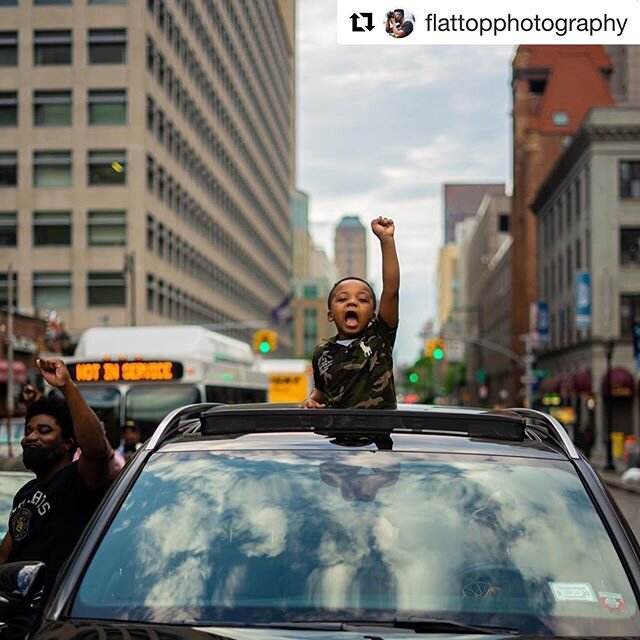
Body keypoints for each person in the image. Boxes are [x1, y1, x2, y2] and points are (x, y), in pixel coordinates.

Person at [0, 357, 112, 597]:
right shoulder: (25, 492)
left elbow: (97, 450)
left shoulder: (78, 480)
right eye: (28, 430)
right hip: (17, 610)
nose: (30, 437)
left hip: (56, 611)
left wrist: (67, 387)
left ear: (68, 443)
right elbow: (6, 553)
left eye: (44, 431)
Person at [302, 216, 399, 409]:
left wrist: (386, 240)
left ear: (373, 315)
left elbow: (391, 291)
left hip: (376, 437)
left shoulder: (380, 338)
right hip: (334, 437)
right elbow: (321, 390)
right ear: (330, 315)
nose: (352, 302)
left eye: (362, 300)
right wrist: (311, 400)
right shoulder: (322, 353)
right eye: (343, 299)